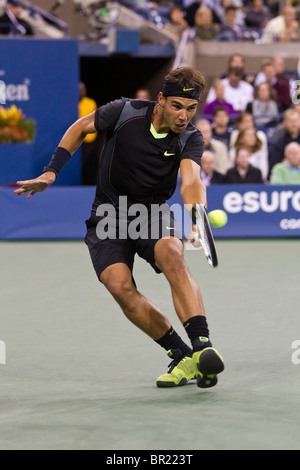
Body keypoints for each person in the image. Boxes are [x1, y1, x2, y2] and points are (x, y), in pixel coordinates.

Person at [14, 66, 225, 390]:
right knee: (119, 286)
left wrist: (196, 216)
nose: (184, 116)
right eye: (177, 107)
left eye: (191, 109)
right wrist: (51, 172)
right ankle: (181, 354)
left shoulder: (190, 137)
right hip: (108, 214)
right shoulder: (124, 111)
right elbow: (82, 126)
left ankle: (202, 345)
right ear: (160, 100)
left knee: (172, 254)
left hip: (151, 211)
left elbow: (192, 180)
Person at [79, 82, 99, 186]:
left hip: (90, 142)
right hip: (79, 142)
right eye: (79, 89)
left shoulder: (91, 103)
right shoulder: (73, 104)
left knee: (91, 167)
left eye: (83, 89)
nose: (81, 91)